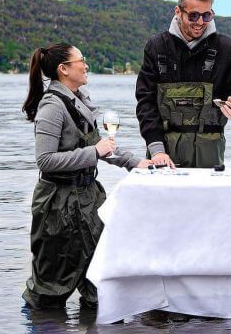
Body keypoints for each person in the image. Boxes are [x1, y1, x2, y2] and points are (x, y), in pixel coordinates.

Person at [21, 43, 150, 309]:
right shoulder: (52, 106)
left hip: (88, 200)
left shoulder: (78, 98)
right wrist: (93, 152)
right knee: (50, 290)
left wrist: (138, 163)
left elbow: (100, 146)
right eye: (81, 60)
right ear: (64, 69)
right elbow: (45, 160)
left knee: (99, 282)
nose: (86, 64)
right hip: (58, 205)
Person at [136, 0, 231, 168]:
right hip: (163, 154)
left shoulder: (228, 48)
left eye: (206, 15)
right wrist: (157, 149)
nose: (200, 22)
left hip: (210, 156)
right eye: (193, 15)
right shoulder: (156, 46)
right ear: (178, 11)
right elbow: (145, 103)